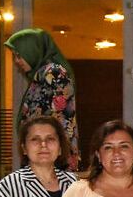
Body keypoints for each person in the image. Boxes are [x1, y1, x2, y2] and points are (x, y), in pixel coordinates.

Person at [5, 28, 80, 171]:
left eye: (19, 55)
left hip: (51, 165)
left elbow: (61, 121)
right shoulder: (41, 75)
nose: (16, 61)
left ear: (32, 50)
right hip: (45, 163)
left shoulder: (53, 73)